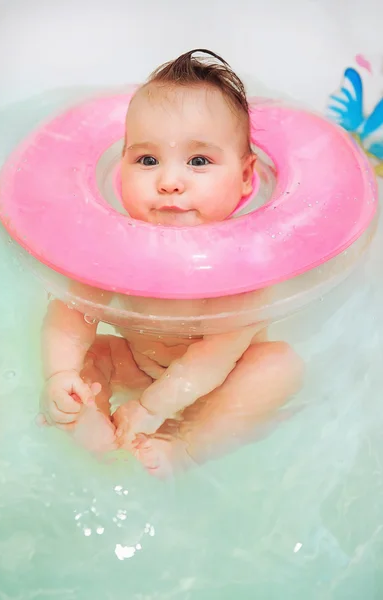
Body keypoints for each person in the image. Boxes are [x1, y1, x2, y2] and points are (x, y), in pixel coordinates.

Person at [39, 49, 304, 477]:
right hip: (137, 364)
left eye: (199, 161)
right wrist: (61, 372)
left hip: (219, 384)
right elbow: (71, 312)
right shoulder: (110, 249)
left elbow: (214, 359)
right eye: (147, 160)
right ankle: (93, 433)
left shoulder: (248, 266)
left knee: (279, 366)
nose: (169, 181)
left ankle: (188, 448)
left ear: (244, 176)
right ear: (119, 167)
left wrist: (149, 408)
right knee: (94, 358)